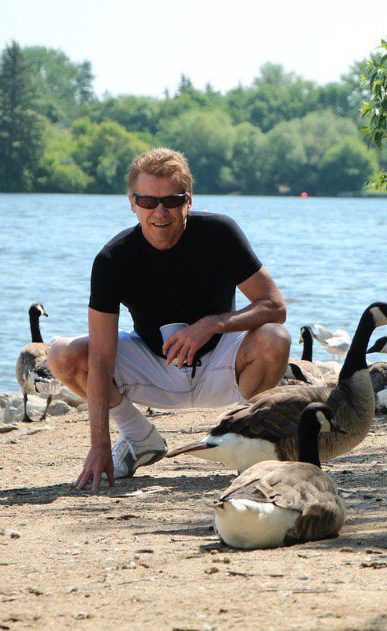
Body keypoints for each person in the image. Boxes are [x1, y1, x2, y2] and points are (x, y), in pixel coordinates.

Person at [49, 148, 290, 490]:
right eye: (148, 202)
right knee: (63, 355)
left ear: (188, 200)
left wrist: (210, 325)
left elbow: (274, 306)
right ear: (132, 203)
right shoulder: (112, 259)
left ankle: (245, 442)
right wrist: (98, 445)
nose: (160, 212)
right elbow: (101, 358)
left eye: (172, 200)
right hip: (152, 367)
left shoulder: (220, 233)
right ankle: (138, 437)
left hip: (221, 366)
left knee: (275, 338)